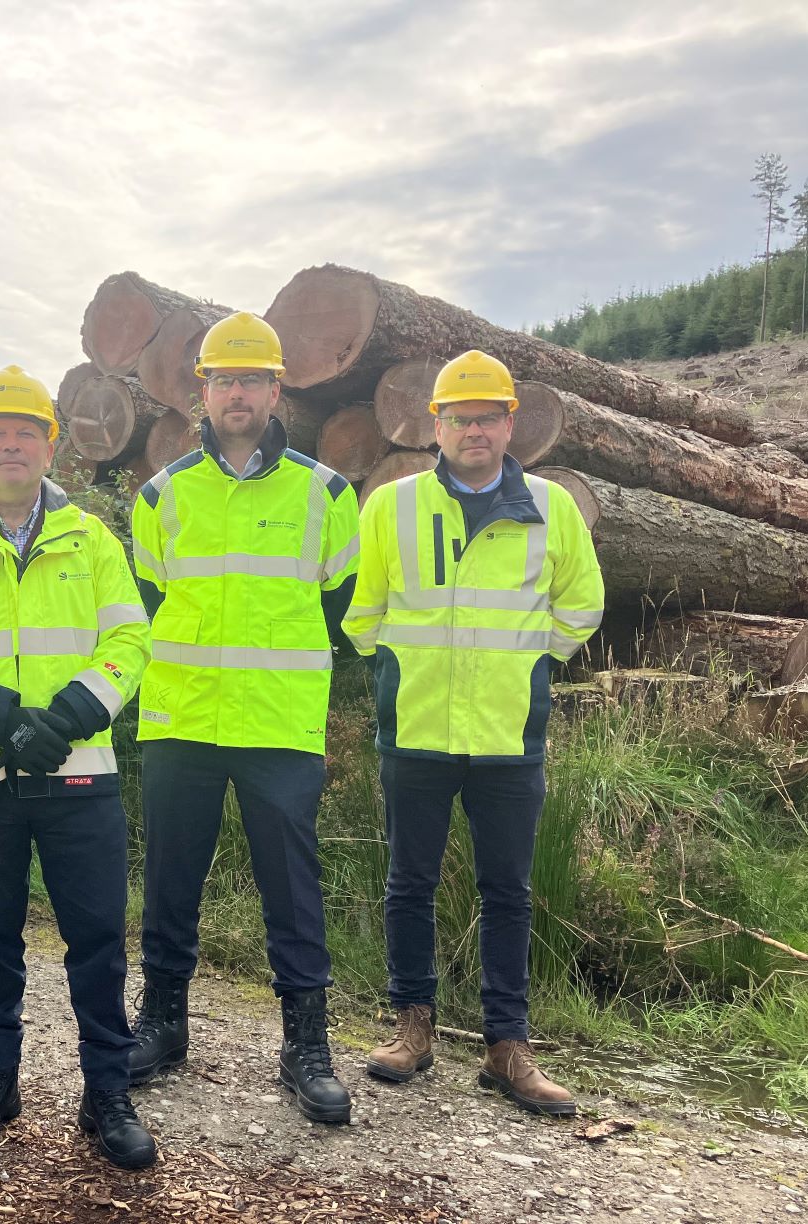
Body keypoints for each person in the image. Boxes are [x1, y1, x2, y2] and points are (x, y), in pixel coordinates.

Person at [0, 366, 158, 1169]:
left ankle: (105, 1093)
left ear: (51, 445)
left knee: (98, 944)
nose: (12, 444)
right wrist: (2, 720)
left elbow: (130, 642)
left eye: (28, 432)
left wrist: (75, 713)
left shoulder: (94, 539)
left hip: (81, 775)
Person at [343, 349, 604, 1116]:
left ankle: (506, 1047)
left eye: (488, 416)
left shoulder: (553, 509)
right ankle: (412, 1027)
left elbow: (581, 605)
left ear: (510, 424)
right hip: (417, 728)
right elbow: (362, 612)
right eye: (460, 417)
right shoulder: (391, 507)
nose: (475, 429)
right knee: (409, 884)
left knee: (508, 892)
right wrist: (396, 669)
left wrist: (527, 667)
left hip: (506, 735)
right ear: (437, 425)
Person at [127, 311, 361, 1125]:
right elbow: (151, 600)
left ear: (275, 389)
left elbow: (340, 601)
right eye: (224, 379)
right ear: (204, 390)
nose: (237, 393)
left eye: (252, 379)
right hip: (182, 720)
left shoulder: (325, 493)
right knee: (171, 879)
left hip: (278, 724)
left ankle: (306, 1044)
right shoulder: (162, 496)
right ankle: (162, 1022)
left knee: (293, 887)